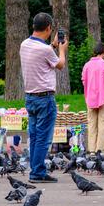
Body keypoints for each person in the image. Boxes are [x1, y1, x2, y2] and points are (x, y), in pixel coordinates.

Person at [20, 12, 68, 183]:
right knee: (43, 138)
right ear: (48, 28)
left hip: (30, 98)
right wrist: (61, 50)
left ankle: (35, 170)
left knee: (34, 136)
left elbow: (41, 56)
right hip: (45, 99)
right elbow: (60, 65)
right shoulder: (46, 50)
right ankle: (38, 172)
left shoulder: (25, 44)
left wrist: (53, 46)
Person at [82, 42, 104, 155]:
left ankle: (91, 150)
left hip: (90, 98)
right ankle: (100, 149)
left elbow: (84, 81)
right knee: (103, 123)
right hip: (103, 98)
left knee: (91, 124)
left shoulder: (87, 65)